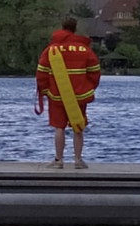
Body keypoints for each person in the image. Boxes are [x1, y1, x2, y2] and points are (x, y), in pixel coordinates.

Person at [36, 17, 101, 169]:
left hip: (57, 95)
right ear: (75, 29)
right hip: (79, 96)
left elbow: (41, 73)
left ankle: (59, 160)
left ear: (62, 27)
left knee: (59, 127)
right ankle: (78, 160)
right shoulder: (85, 49)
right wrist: (88, 88)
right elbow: (95, 72)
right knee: (78, 126)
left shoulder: (51, 49)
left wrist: (46, 90)